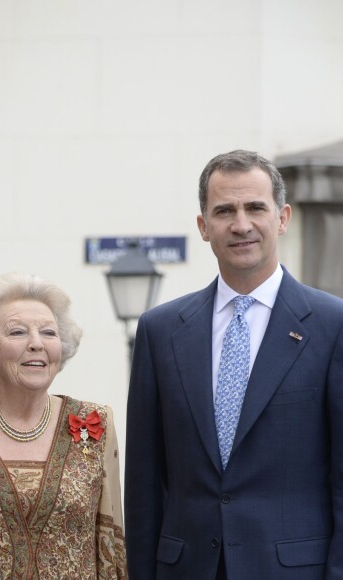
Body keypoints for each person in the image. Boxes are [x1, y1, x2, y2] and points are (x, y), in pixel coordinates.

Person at [124, 149, 343, 580]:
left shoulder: (333, 326)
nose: (241, 224)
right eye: (224, 210)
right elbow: (145, 486)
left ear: (282, 218)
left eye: (255, 208)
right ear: (204, 227)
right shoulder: (160, 331)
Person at [0, 273, 127, 578]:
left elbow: (111, 546)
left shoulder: (95, 422)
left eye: (48, 332)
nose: (36, 344)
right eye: (17, 332)